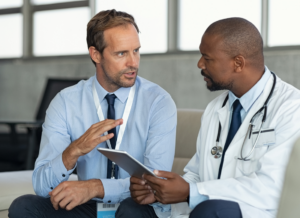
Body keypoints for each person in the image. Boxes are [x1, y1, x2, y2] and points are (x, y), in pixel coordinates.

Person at [122, 18, 300, 218]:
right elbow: (197, 174)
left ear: (238, 63)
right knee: (132, 208)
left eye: (207, 58)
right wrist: (161, 190)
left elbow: (272, 188)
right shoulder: (215, 108)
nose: (199, 64)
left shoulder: (291, 109)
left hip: (256, 212)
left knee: (211, 212)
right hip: (206, 208)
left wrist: (191, 192)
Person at [8, 9, 177, 218]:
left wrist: (95, 187)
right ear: (96, 54)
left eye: (136, 50)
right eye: (121, 53)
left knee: (131, 211)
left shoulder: (158, 102)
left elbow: (154, 184)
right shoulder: (66, 102)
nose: (133, 62)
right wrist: (73, 151)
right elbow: (42, 186)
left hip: (137, 206)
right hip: (92, 208)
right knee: (23, 207)